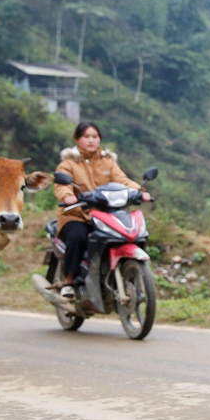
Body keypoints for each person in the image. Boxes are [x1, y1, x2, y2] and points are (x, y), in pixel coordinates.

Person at [52, 121, 151, 299]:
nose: (91, 141)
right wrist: (67, 196)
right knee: (78, 237)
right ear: (77, 139)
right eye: (86, 137)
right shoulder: (69, 163)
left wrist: (140, 191)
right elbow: (61, 184)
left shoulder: (108, 161)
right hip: (77, 214)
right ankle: (69, 281)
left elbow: (123, 180)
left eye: (95, 137)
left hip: (106, 214)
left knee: (127, 234)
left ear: (100, 139)